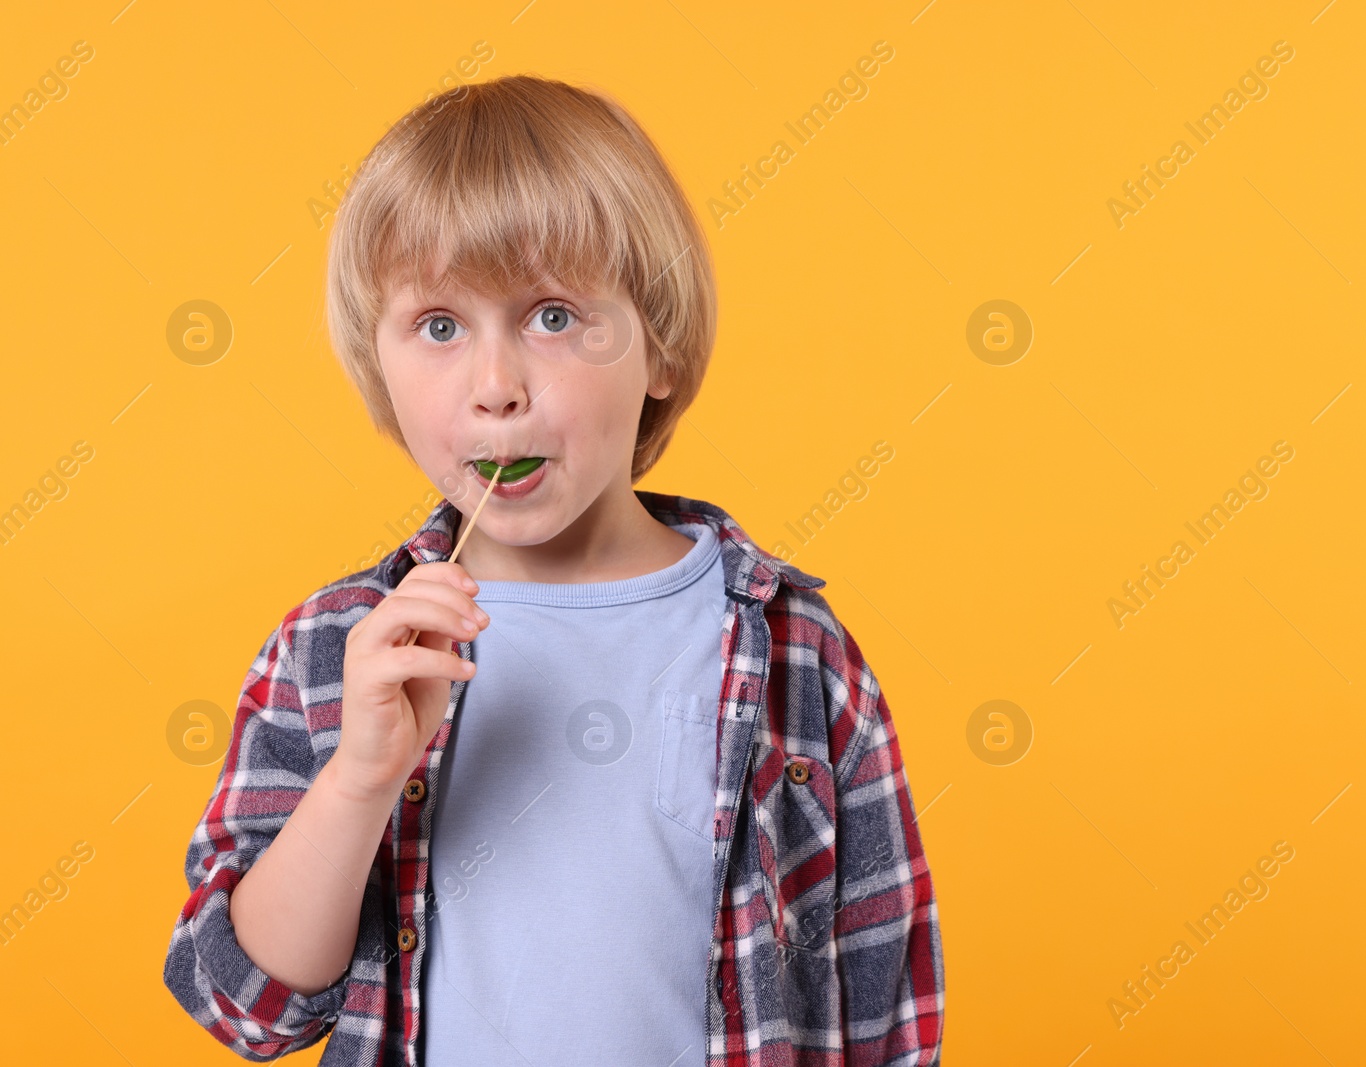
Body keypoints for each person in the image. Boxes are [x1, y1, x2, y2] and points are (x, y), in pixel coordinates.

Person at [161, 73, 944, 1067]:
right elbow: (245, 1008)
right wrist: (361, 778)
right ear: (380, 366)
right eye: (439, 326)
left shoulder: (793, 646)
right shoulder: (336, 651)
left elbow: (883, 988)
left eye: (553, 317)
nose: (496, 388)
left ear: (656, 346)